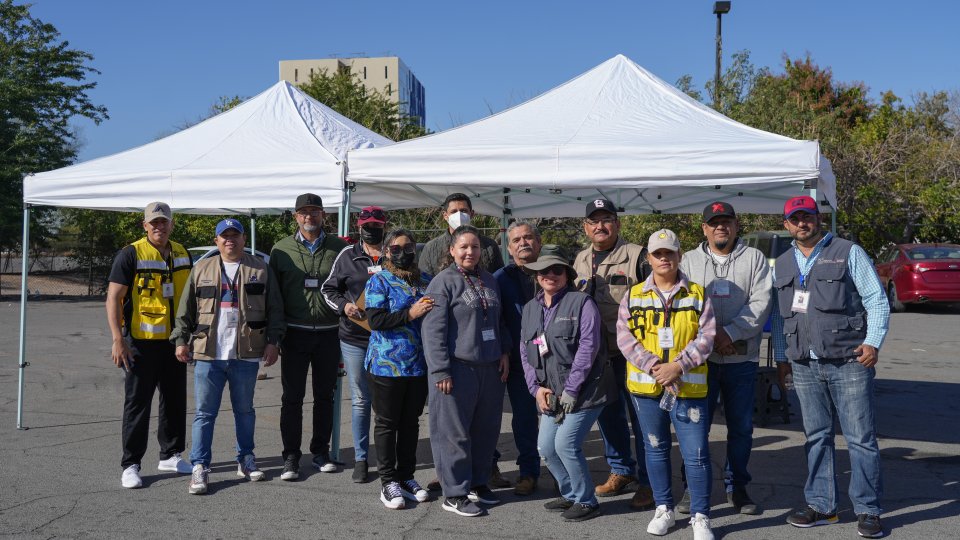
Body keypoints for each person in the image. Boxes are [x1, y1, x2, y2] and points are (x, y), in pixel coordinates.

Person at [771, 196, 889, 539]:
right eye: (795, 219)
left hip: (849, 360)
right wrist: (783, 358)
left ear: (818, 218)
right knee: (817, 437)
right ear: (787, 224)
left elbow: (876, 300)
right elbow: (781, 318)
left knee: (861, 439)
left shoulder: (848, 251)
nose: (802, 223)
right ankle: (822, 506)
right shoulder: (780, 263)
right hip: (804, 363)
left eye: (808, 217)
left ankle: (868, 509)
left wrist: (873, 342)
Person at [170, 219, 284, 495]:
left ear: (244, 239)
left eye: (235, 235)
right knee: (204, 413)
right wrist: (181, 340)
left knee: (244, 411)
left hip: (246, 353)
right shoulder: (202, 268)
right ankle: (200, 467)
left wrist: (273, 342)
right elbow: (185, 309)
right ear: (216, 240)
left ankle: (245, 459)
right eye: (225, 236)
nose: (230, 240)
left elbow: (275, 309)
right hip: (208, 354)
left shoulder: (260, 268)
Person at [617, 229, 717, 540]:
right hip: (646, 390)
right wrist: (655, 367)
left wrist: (678, 366)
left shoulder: (698, 294)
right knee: (655, 448)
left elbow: (707, 337)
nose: (664, 258)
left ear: (679, 256)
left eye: (669, 253)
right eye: (657, 253)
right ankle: (663, 507)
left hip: (688, 389)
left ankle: (700, 515)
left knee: (696, 453)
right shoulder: (633, 296)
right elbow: (625, 337)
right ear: (648, 258)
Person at [677, 201, 772, 515]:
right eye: (714, 222)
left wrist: (729, 334)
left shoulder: (755, 258)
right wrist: (710, 338)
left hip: (740, 360)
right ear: (704, 228)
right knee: (695, 428)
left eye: (726, 221)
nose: (721, 227)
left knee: (741, 429)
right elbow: (679, 305)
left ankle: (738, 487)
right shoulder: (687, 260)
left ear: (735, 225)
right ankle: (693, 487)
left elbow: (760, 304)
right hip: (699, 362)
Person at [419, 192, 508, 490]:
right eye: (464, 247)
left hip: (489, 368)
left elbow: (498, 320)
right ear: (453, 250)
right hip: (458, 369)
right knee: (453, 434)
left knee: (485, 431)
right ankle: (455, 492)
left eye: (475, 247)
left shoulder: (490, 280)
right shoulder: (442, 282)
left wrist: (504, 352)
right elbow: (433, 330)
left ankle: (480, 484)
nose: (470, 252)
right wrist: (440, 369)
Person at [520, 245, 616, 522]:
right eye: (544, 270)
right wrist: (535, 389)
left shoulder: (582, 303)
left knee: (565, 445)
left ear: (567, 274)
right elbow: (525, 352)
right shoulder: (529, 309)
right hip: (550, 392)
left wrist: (572, 390)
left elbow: (589, 348)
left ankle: (587, 501)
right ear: (536, 275)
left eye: (557, 270)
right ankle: (571, 492)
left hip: (586, 390)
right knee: (546, 448)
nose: (551, 275)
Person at [572, 198, 654, 509]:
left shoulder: (636, 256)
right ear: (586, 227)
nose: (600, 226)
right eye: (594, 221)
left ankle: (648, 482)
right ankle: (621, 470)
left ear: (617, 224)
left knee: (642, 420)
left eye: (606, 220)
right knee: (608, 417)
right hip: (596, 356)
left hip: (631, 354)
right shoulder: (579, 260)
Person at [105, 202, 193, 489]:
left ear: (172, 224)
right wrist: (118, 339)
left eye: (164, 221)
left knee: (174, 400)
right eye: (154, 222)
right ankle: (130, 464)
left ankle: (170, 454)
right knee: (138, 405)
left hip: (174, 342)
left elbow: (191, 297)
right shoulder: (130, 254)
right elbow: (114, 298)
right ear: (145, 226)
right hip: (139, 344)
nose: (159, 226)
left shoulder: (182, 252)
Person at [269, 193, 347, 480]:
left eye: (314, 211)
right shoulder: (281, 250)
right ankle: (290, 456)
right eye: (303, 212)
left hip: (329, 333)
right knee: (292, 397)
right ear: (295, 216)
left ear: (323, 214)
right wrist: (274, 338)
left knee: (324, 396)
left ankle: (320, 452)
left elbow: (347, 288)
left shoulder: (339, 248)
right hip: (294, 334)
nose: (309, 216)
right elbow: (273, 298)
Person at [363, 229, 434, 509]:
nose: (402, 253)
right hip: (385, 365)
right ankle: (387, 481)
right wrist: (410, 314)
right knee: (387, 422)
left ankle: (406, 476)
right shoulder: (379, 280)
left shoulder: (425, 280)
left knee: (410, 423)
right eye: (396, 248)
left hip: (417, 365)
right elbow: (376, 320)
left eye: (408, 248)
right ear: (387, 251)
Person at [321, 206, 388, 483]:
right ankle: (361, 458)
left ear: (384, 226)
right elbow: (328, 289)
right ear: (358, 227)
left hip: (388, 338)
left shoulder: (394, 253)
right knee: (361, 399)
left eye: (376, 224)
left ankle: (387, 457)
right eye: (366, 224)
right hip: (354, 338)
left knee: (386, 402)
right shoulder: (347, 255)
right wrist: (345, 306)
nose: (371, 229)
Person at [492, 221, 543, 496]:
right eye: (516, 240)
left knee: (543, 418)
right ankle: (513, 470)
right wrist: (503, 349)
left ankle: (544, 472)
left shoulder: (553, 272)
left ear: (539, 242)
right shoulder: (500, 278)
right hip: (513, 360)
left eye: (528, 238)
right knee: (509, 417)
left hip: (550, 359)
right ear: (509, 247)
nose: (523, 243)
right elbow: (494, 318)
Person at [418, 193, 504, 277]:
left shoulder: (489, 246)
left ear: (472, 214)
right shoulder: (431, 248)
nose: (459, 215)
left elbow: (499, 279)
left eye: (463, 211)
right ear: (445, 215)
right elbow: (424, 281)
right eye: (454, 211)